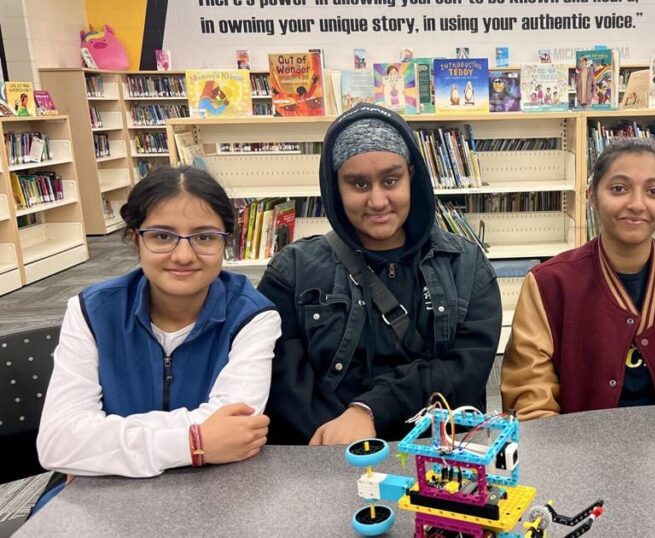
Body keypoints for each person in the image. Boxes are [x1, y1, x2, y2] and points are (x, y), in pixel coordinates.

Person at [35, 167, 280, 504]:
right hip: (99, 497)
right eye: (162, 236)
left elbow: (236, 428)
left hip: (208, 493)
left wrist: (100, 450)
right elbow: (58, 442)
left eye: (205, 236)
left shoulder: (253, 316)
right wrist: (194, 443)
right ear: (136, 239)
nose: (183, 255)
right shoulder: (91, 311)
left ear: (226, 242)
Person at [259, 103, 501, 445]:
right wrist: (345, 440)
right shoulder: (291, 272)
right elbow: (283, 384)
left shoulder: (465, 264)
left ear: (411, 177)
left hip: (435, 456)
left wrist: (368, 411)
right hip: (330, 456)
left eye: (390, 180)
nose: (377, 200)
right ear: (334, 187)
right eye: (358, 184)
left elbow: (465, 371)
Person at [501, 138, 655, 420]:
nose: (637, 204)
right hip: (578, 452)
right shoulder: (548, 286)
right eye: (619, 189)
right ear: (592, 196)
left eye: (653, 191)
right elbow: (530, 400)